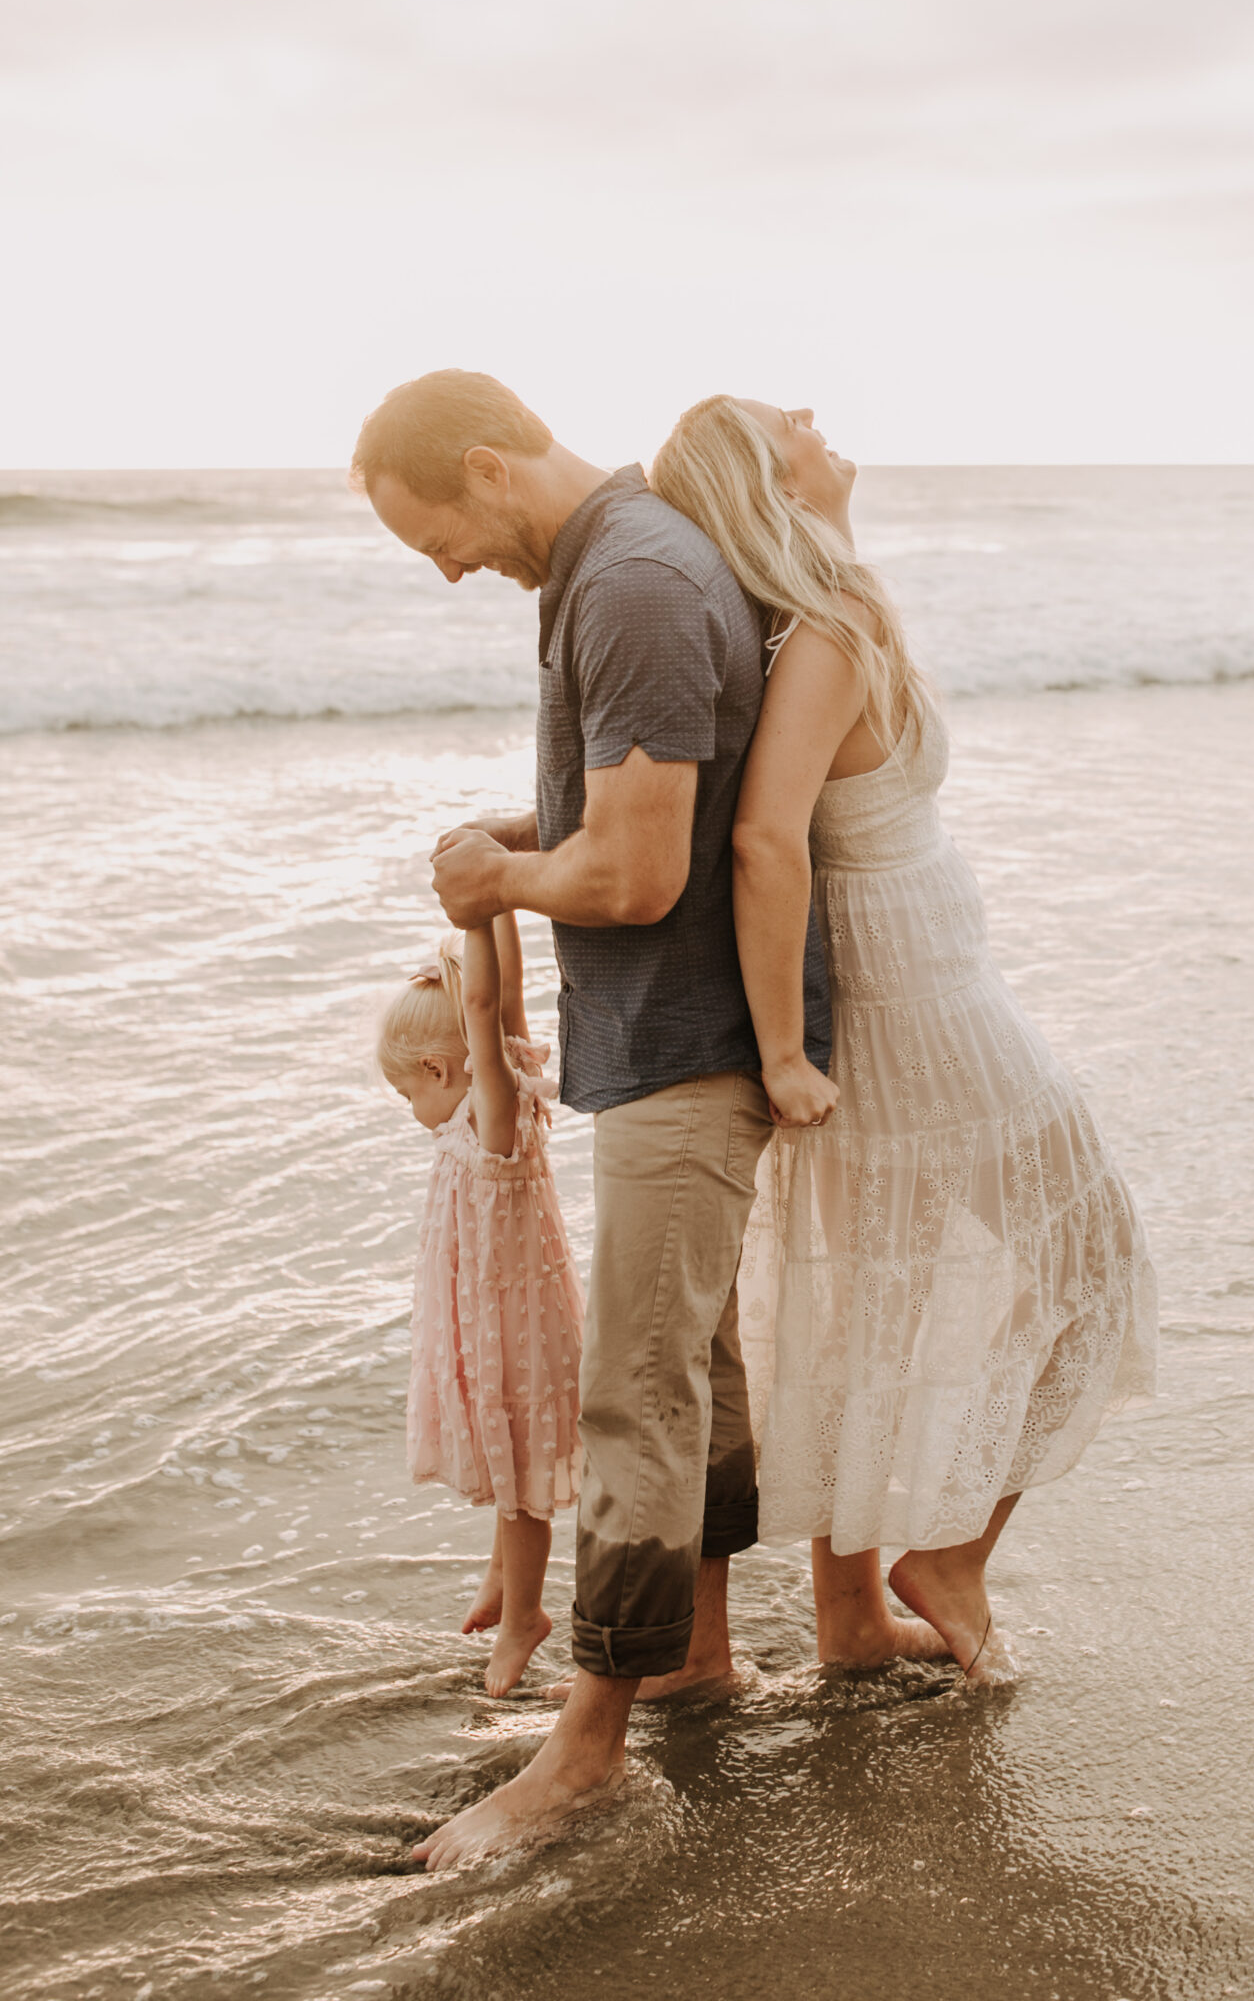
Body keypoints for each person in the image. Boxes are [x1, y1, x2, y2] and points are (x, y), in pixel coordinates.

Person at [350, 368, 833, 1869]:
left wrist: (503, 881)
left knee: (635, 1389)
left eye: (433, 534)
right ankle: (691, 1650)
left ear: (490, 468)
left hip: (683, 1047)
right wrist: (522, 833)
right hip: (669, 1041)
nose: (440, 569)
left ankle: (587, 1746)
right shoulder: (612, 566)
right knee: (693, 1361)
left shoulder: (624, 577)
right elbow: (636, 821)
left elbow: (635, 879)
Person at [650, 397, 1158, 1683]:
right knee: (1096, 1265)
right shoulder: (831, 625)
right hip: (920, 1009)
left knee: (869, 1303)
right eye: (790, 419)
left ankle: (851, 1621)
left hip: (906, 992)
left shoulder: (816, 617)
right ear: (775, 476)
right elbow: (767, 839)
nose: (818, 417)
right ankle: (950, 1557)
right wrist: (780, 1055)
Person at [379, 914, 582, 1696]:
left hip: (514, 1334)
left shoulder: (494, 1112)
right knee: (507, 1465)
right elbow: (509, 1001)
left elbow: (489, 1006)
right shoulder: (508, 1090)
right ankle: (502, 1579)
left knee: (521, 1479)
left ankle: (524, 1615)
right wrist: (493, 909)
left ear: (438, 1068)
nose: (409, 1110)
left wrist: (481, 915)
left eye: (406, 1093)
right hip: (499, 1321)